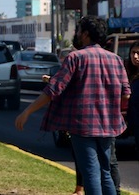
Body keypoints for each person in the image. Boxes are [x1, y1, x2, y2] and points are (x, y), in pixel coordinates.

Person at [15, 15, 130, 195]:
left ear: (85, 34)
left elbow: (53, 90)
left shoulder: (75, 58)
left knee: (90, 172)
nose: (76, 34)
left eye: (78, 31)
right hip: (109, 125)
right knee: (105, 171)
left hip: (82, 125)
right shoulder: (115, 59)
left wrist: (27, 111)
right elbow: (126, 93)